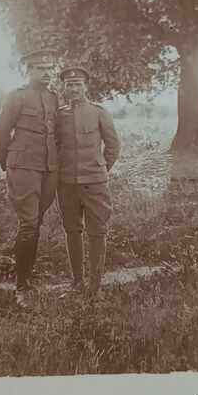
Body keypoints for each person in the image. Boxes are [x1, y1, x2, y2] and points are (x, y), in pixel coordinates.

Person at [0, 48, 59, 303]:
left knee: (36, 222)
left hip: (49, 169)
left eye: (50, 68)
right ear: (28, 70)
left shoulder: (54, 98)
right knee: (29, 224)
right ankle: (22, 287)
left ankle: (26, 274)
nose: (47, 73)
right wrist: (7, 164)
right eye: (41, 68)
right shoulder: (16, 97)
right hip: (24, 168)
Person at [55, 63, 120, 302]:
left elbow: (113, 146)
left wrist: (100, 169)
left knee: (97, 232)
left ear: (85, 86)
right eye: (69, 84)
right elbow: (54, 147)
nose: (73, 88)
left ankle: (95, 286)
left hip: (95, 183)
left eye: (77, 84)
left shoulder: (99, 112)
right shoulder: (58, 115)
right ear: (64, 87)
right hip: (67, 183)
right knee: (72, 230)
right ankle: (77, 282)